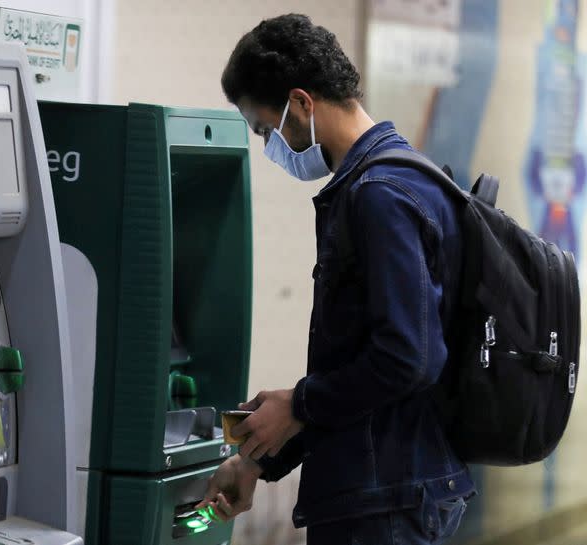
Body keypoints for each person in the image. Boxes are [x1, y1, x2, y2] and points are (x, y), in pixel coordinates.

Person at [196, 14, 475, 545]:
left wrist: (299, 404)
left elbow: (407, 357)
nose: (269, 146)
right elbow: (363, 370)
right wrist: (261, 464)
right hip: (390, 489)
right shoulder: (399, 176)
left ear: (301, 102)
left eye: (266, 129)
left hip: (387, 502)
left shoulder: (379, 194)